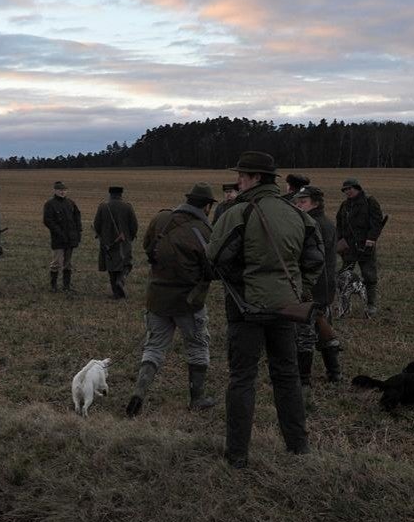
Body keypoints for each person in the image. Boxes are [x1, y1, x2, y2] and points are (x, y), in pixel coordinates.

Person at [206, 152, 324, 469]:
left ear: (257, 178)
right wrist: (295, 290)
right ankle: (298, 447)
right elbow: (314, 260)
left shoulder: (238, 213)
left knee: (242, 379)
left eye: (243, 175)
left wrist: (242, 284)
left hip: (246, 309)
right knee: (287, 376)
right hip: (286, 308)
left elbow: (216, 257)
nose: (238, 181)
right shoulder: (299, 215)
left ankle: (237, 455)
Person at [126, 182, 217, 417]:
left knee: (153, 347)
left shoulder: (162, 219)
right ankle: (197, 398)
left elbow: (148, 247)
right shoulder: (205, 231)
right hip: (189, 301)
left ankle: (139, 391)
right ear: (207, 206)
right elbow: (211, 269)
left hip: (157, 297)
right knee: (197, 347)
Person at [292, 186, 342, 387]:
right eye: (297, 202)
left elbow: (310, 260)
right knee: (323, 330)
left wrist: (305, 288)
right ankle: (334, 373)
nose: (298, 205)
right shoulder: (322, 222)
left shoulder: (313, 225)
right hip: (323, 287)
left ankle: (303, 380)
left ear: (316, 203)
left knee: (305, 334)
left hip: (314, 287)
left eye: (303, 202)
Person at [336, 177, 385, 317]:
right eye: (345, 190)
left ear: (357, 188)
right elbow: (339, 224)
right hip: (348, 247)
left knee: (369, 276)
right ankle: (343, 305)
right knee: (344, 277)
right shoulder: (344, 206)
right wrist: (339, 241)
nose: (347, 192)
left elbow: (377, 222)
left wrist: (371, 239)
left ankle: (371, 305)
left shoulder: (370, 202)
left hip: (365, 246)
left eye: (350, 189)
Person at [93, 186, 139, 299]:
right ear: (121, 194)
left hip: (107, 243)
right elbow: (134, 225)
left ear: (110, 194)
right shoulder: (127, 207)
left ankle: (116, 293)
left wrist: (102, 236)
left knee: (111, 267)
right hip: (123, 242)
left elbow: (96, 225)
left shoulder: (103, 207)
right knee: (126, 263)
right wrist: (130, 237)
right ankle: (121, 279)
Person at [42, 181, 82, 292]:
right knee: (56, 263)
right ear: (55, 190)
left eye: (64, 190)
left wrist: (78, 233)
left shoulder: (71, 203)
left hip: (71, 238)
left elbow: (77, 218)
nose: (63, 192)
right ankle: (53, 286)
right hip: (58, 239)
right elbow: (48, 221)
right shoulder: (50, 204)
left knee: (68, 263)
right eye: (60, 190)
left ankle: (66, 286)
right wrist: (59, 233)